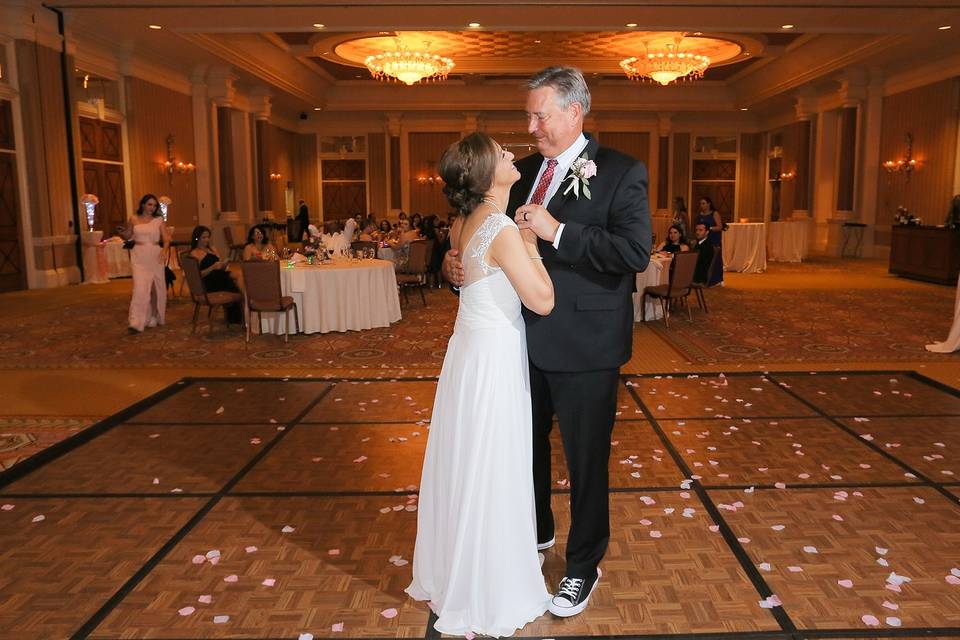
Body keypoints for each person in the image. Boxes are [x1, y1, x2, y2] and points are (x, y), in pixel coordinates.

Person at [444, 66, 650, 618]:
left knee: (586, 463)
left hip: (586, 346)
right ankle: (533, 539)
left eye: (541, 115)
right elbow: (483, 236)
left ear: (575, 112)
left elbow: (634, 255)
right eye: (528, 115)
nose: (530, 126)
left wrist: (559, 231)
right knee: (523, 452)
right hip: (513, 345)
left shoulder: (621, 171)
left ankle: (582, 566)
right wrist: (455, 263)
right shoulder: (520, 172)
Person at [406, 132, 554, 636]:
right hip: (491, 359)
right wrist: (533, 245)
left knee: (470, 458)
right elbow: (542, 301)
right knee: (493, 462)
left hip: (466, 355)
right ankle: (490, 583)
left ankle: (460, 570)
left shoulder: (461, 223)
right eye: (502, 152)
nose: (512, 153)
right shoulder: (502, 229)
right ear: (487, 173)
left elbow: (471, 280)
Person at [123, 194, 169, 334]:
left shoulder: (158, 220)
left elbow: (166, 239)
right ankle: (136, 322)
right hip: (138, 255)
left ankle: (154, 315)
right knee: (139, 288)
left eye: (154, 205)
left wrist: (164, 251)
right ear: (143, 205)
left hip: (155, 254)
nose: (152, 208)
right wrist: (122, 232)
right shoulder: (133, 218)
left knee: (156, 287)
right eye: (149, 204)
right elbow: (128, 235)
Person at [188, 225, 242, 324]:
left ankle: (242, 309)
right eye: (204, 237)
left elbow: (220, 267)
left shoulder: (213, 249)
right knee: (236, 284)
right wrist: (212, 267)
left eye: (208, 237)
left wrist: (223, 264)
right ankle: (241, 311)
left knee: (239, 275)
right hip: (209, 282)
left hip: (219, 276)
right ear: (197, 238)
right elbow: (197, 276)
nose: (206, 240)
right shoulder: (194, 254)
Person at [695, 195, 724, 286]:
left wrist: (708, 229)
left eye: (703, 203)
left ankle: (717, 279)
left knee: (715, 259)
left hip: (713, 238)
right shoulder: (699, 215)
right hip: (703, 239)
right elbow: (697, 227)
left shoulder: (714, 213)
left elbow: (720, 227)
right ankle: (704, 278)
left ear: (709, 204)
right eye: (700, 204)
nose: (701, 205)